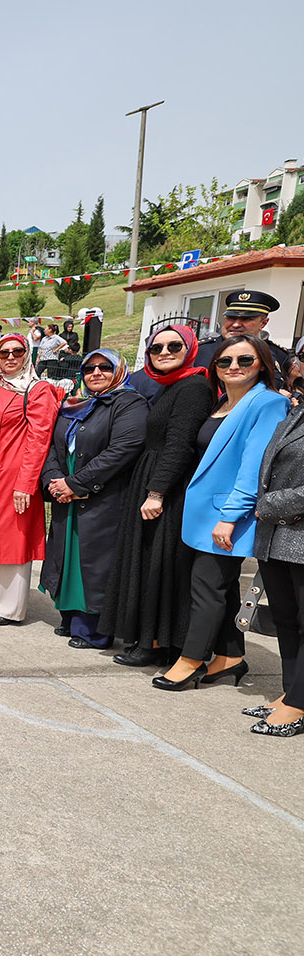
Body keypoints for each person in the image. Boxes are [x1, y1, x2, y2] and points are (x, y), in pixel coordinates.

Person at [155, 335, 287, 690]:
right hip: (202, 514)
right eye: (225, 361)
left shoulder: (267, 403)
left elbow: (253, 467)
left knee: (207, 587)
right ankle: (229, 657)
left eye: (245, 361)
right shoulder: (222, 402)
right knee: (223, 590)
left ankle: (191, 659)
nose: (234, 367)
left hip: (228, 515)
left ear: (262, 364)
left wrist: (230, 517)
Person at [101, 324, 213, 666]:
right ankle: (148, 639)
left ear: (189, 349)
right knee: (148, 561)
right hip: (153, 478)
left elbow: (179, 445)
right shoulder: (173, 385)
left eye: (173, 346)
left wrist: (156, 492)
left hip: (166, 487)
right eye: (156, 348)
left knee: (157, 564)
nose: (164, 352)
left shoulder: (194, 387)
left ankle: (155, 643)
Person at [38, 350, 149, 648]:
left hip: (102, 496)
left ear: (119, 370)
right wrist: (53, 481)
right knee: (66, 556)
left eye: (104, 367)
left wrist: (76, 483)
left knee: (94, 563)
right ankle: (70, 619)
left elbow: (123, 449)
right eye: (89, 368)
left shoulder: (129, 403)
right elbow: (53, 448)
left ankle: (95, 630)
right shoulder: (74, 405)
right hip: (66, 493)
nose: (96, 372)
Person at [0, 333, 61, 626]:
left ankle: (9, 608)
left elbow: (39, 439)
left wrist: (26, 483)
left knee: (13, 539)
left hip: (14, 472)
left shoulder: (37, 390)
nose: (10, 357)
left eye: (17, 351)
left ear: (27, 353)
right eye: (3, 352)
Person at [247, 403, 304, 735]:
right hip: (275, 534)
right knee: (286, 619)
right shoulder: (296, 411)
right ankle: (290, 693)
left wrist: (270, 504)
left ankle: (297, 704)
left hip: (291, 528)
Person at [194, 290, 290, 373]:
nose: (236, 325)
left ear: (263, 323)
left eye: (246, 319)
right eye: (231, 318)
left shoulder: (279, 355)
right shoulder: (199, 351)